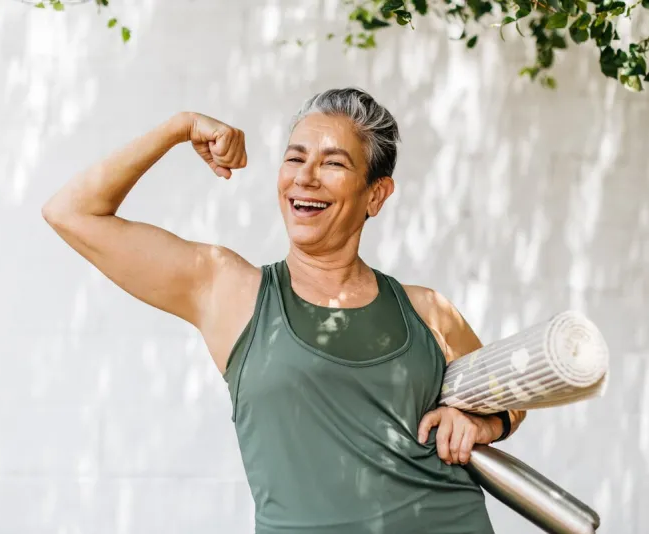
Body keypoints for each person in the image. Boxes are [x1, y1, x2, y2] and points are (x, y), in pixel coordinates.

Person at [42, 87, 527, 533]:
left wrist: (484, 423)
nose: (306, 177)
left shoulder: (426, 310)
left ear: (375, 194)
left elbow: (515, 395)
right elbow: (71, 212)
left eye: (333, 163)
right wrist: (179, 126)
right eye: (295, 157)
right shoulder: (229, 291)